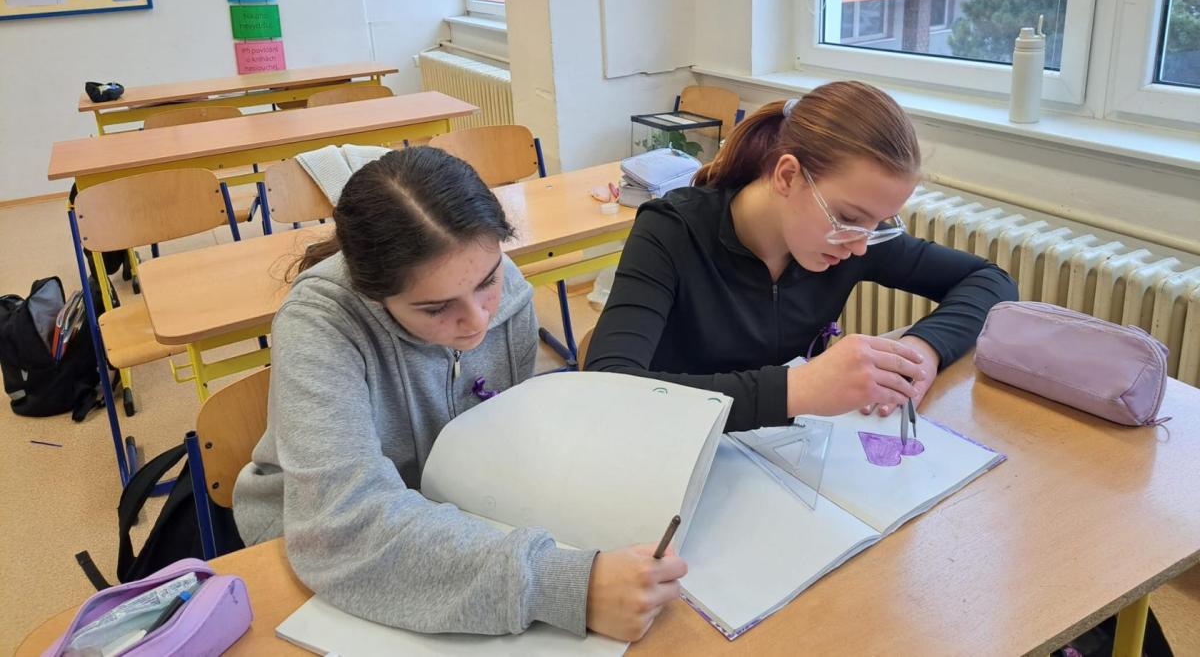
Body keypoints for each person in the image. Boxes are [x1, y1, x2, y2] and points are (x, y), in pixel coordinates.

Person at [233, 147, 685, 641]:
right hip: (317, 542)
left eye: (487, 281)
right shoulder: (319, 324)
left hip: (453, 513)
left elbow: (504, 437)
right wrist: (565, 585)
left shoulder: (506, 287)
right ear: (375, 295)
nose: (477, 320)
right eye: (435, 308)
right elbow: (342, 524)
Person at [586, 81, 1018, 432]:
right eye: (849, 218)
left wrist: (921, 351)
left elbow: (990, 280)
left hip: (783, 455)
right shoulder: (671, 231)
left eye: (878, 224)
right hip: (672, 450)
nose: (860, 246)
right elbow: (609, 388)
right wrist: (795, 390)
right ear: (788, 175)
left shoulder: (855, 239)